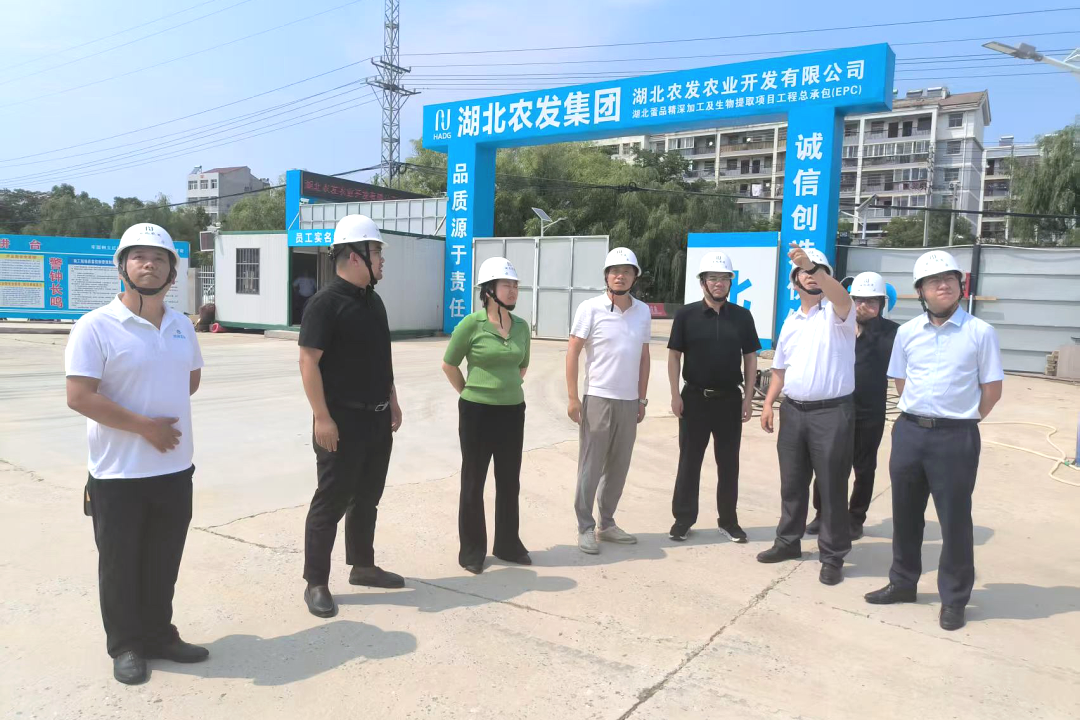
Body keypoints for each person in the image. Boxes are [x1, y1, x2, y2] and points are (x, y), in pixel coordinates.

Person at [65, 223, 208, 685]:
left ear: (172, 272)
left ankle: (159, 635)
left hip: (175, 468)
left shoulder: (182, 325)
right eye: (139, 257)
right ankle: (125, 645)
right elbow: (79, 396)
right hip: (118, 474)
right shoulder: (95, 326)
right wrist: (146, 427)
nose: (150, 264)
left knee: (163, 561)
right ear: (122, 267)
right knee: (120, 566)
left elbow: (190, 380)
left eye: (160, 258)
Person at [865, 250, 1003, 631]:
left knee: (954, 520)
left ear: (961, 285)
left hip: (955, 437)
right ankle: (902, 582)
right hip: (910, 433)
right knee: (906, 514)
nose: (943, 285)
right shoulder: (907, 333)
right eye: (933, 281)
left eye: (950, 279)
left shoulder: (980, 333)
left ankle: (954, 599)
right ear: (921, 291)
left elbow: (992, 390)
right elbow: (901, 381)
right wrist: (920, 416)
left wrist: (963, 418)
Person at [297, 214, 405, 619]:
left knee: (368, 497)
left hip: (377, 419)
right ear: (355, 255)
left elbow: (382, 357)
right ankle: (316, 582)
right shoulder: (325, 304)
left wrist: (392, 399)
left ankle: (363, 566)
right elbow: (308, 362)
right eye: (376, 251)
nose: (381, 259)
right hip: (340, 422)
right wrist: (321, 417)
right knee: (331, 501)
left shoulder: (373, 301)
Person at [758, 243, 856, 587]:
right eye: (804, 272)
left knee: (831, 487)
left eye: (819, 271)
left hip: (831, 413)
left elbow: (840, 296)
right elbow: (780, 369)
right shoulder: (791, 320)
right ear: (794, 280)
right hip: (793, 412)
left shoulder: (839, 313)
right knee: (792, 483)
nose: (812, 277)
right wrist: (769, 403)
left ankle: (832, 556)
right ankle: (788, 542)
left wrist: (813, 266)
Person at [441, 257, 531, 574]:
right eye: (507, 285)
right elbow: (449, 364)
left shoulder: (521, 327)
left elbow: (522, 366)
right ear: (489, 290)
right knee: (473, 480)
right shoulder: (471, 324)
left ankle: (507, 544)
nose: (513, 290)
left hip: (512, 411)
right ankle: (472, 551)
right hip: (477, 412)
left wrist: (506, 389)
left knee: (509, 480)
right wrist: (470, 392)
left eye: (515, 285)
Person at [667, 251, 760, 543]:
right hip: (694, 399)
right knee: (689, 461)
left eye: (724, 278)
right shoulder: (686, 315)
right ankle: (683, 520)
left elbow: (750, 358)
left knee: (729, 463)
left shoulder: (742, 316)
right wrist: (675, 395)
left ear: (731, 282)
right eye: (713, 278)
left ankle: (729, 521)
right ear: (703, 282)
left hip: (730, 400)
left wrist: (748, 398)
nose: (719, 283)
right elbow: (674, 356)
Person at [567, 247, 652, 555]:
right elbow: (573, 352)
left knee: (619, 465)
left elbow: (644, 357)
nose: (620, 276)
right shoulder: (590, 308)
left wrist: (641, 398)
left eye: (627, 271)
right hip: (598, 398)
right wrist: (573, 397)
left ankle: (607, 523)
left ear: (635, 277)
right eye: (615, 271)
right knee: (591, 465)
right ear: (606, 276)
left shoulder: (642, 311)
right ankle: (585, 526)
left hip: (629, 401)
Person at [806, 271, 898, 541]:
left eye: (871, 301)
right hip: (835, 409)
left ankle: (856, 518)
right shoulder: (838, 326)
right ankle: (822, 513)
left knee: (864, 468)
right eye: (858, 300)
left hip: (870, 412)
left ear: (882, 303)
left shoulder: (894, 334)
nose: (863, 306)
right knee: (828, 464)